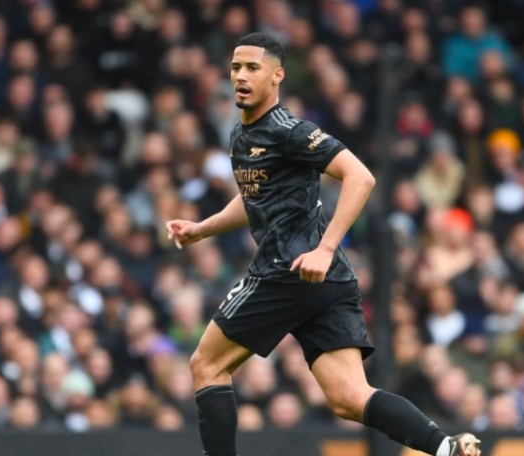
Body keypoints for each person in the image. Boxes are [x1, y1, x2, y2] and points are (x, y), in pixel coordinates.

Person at [166, 33, 481, 456]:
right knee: (350, 397)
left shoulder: (290, 131)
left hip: (289, 269)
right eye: (236, 67)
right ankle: (446, 448)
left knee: (206, 364)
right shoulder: (243, 135)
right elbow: (255, 195)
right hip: (325, 280)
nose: (240, 76)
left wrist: (326, 247)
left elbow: (361, 177)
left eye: (252, 68)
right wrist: (203, 228)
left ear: (277, 76)